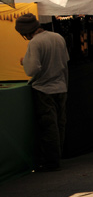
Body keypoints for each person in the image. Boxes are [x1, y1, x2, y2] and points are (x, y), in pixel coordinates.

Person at [16, 13, 69, 172]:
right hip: (61, 86)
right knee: (60, 123)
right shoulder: (58, 37)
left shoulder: (35, 43)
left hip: (43, 89)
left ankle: (50, 161)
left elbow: (33, 69)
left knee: (48, 126)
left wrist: (24, 61)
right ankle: (58, 156)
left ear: (26, 32)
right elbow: (65, 62)